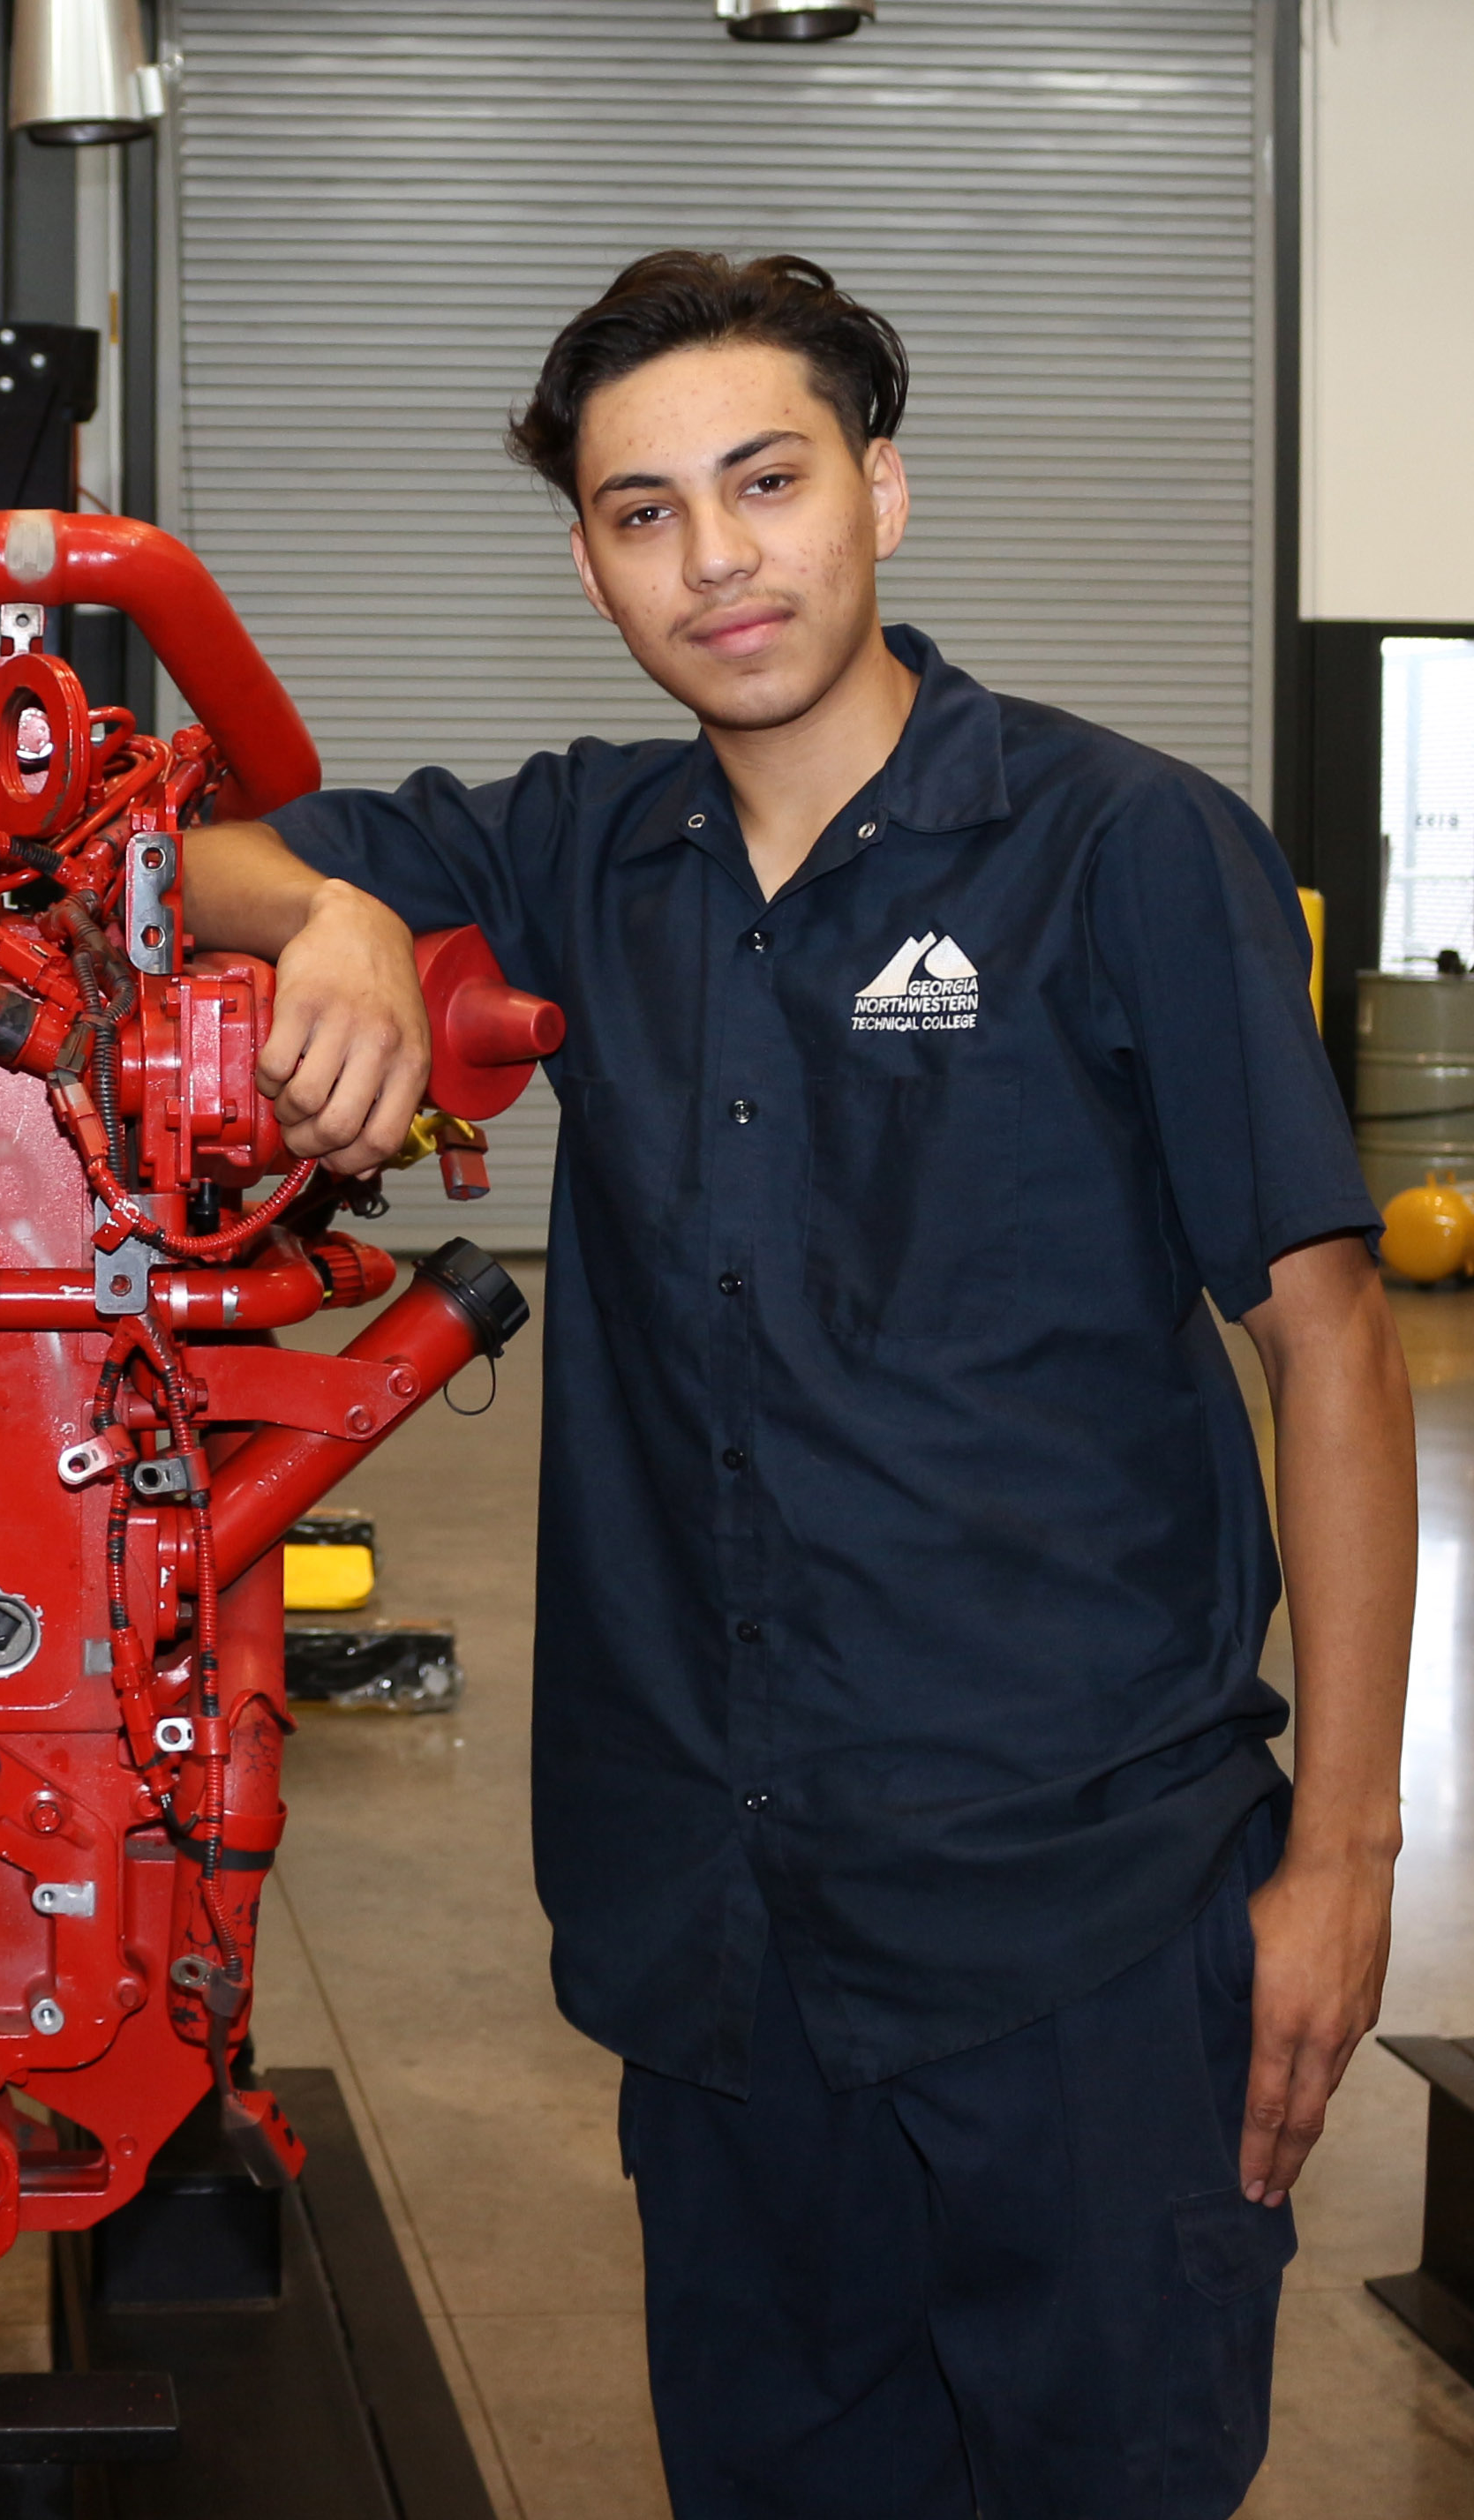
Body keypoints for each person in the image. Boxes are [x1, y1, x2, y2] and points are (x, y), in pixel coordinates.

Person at [188, 252, 1416, 2514]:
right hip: (717, 1944)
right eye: (640, 511)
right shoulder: (576, 854)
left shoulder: (1121, 848)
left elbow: (1325, 1337)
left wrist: (1342, 1857)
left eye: (763, 481)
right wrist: (334, 920)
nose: (714, 558)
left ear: (882, 489)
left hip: (1082, 1922)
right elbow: (167, 856)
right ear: (586, 559)